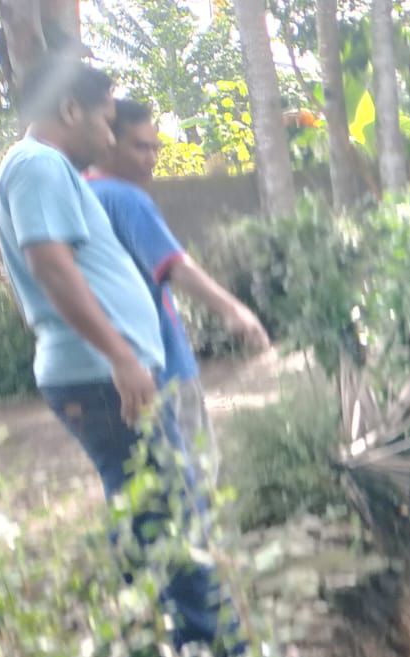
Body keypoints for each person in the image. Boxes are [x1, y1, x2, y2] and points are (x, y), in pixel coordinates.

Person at [0, 55, 238, 657]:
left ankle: (156, 647)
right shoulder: (37, 165)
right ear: (70, 110)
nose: (110, 136)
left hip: (102, 371)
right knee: (170, 507)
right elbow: (52, 267)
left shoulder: (48, 170)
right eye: (105, 121)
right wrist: (122, 357)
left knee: (148, 506)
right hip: (101, 373)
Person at [88, 97, 269, 486]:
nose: (151, 157)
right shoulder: (126, 198)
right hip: (163, 365)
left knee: (140, 487)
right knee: (193, 480)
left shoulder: (82, 195)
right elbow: (173, 265)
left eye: (156, 147)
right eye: (140, 146)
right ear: (109, 142)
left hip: (115, 370)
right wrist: (233, 309)